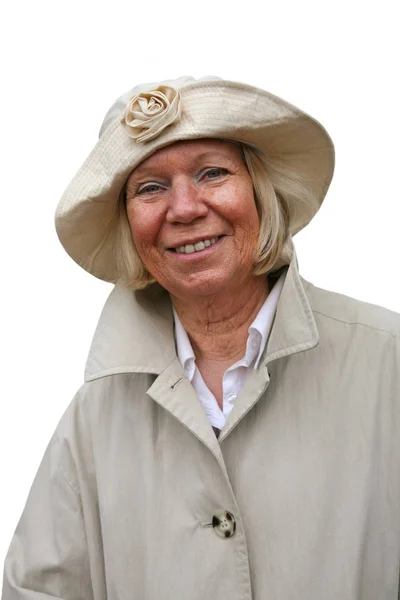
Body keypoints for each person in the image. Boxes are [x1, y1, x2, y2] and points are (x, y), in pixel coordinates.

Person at [2, 75, 400, 600]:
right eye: (150, 188)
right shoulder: (97, 410)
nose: (184, 208)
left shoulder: (388, 360)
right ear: (128, 225)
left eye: (212, 173)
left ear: (261, 192)